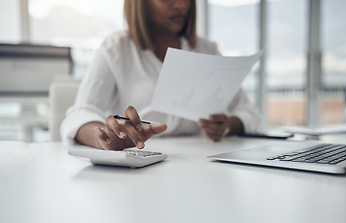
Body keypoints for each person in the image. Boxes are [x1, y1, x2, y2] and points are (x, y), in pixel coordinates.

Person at [61, 0, 261, 151]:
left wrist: (227, 126)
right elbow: (79, 114)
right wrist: (103, 138)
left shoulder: (206, 49)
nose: (181, 5)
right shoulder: (116, 49)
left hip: (201, 160)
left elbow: (250, 113)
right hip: (141, 160)